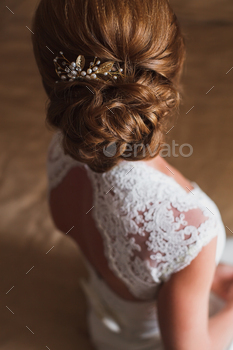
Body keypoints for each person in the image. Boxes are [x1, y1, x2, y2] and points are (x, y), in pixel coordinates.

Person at [31, 0, 233, 349]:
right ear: (173, 67)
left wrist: (195, 277)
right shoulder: (192, 228)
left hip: (107, 329)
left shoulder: (60, 151)